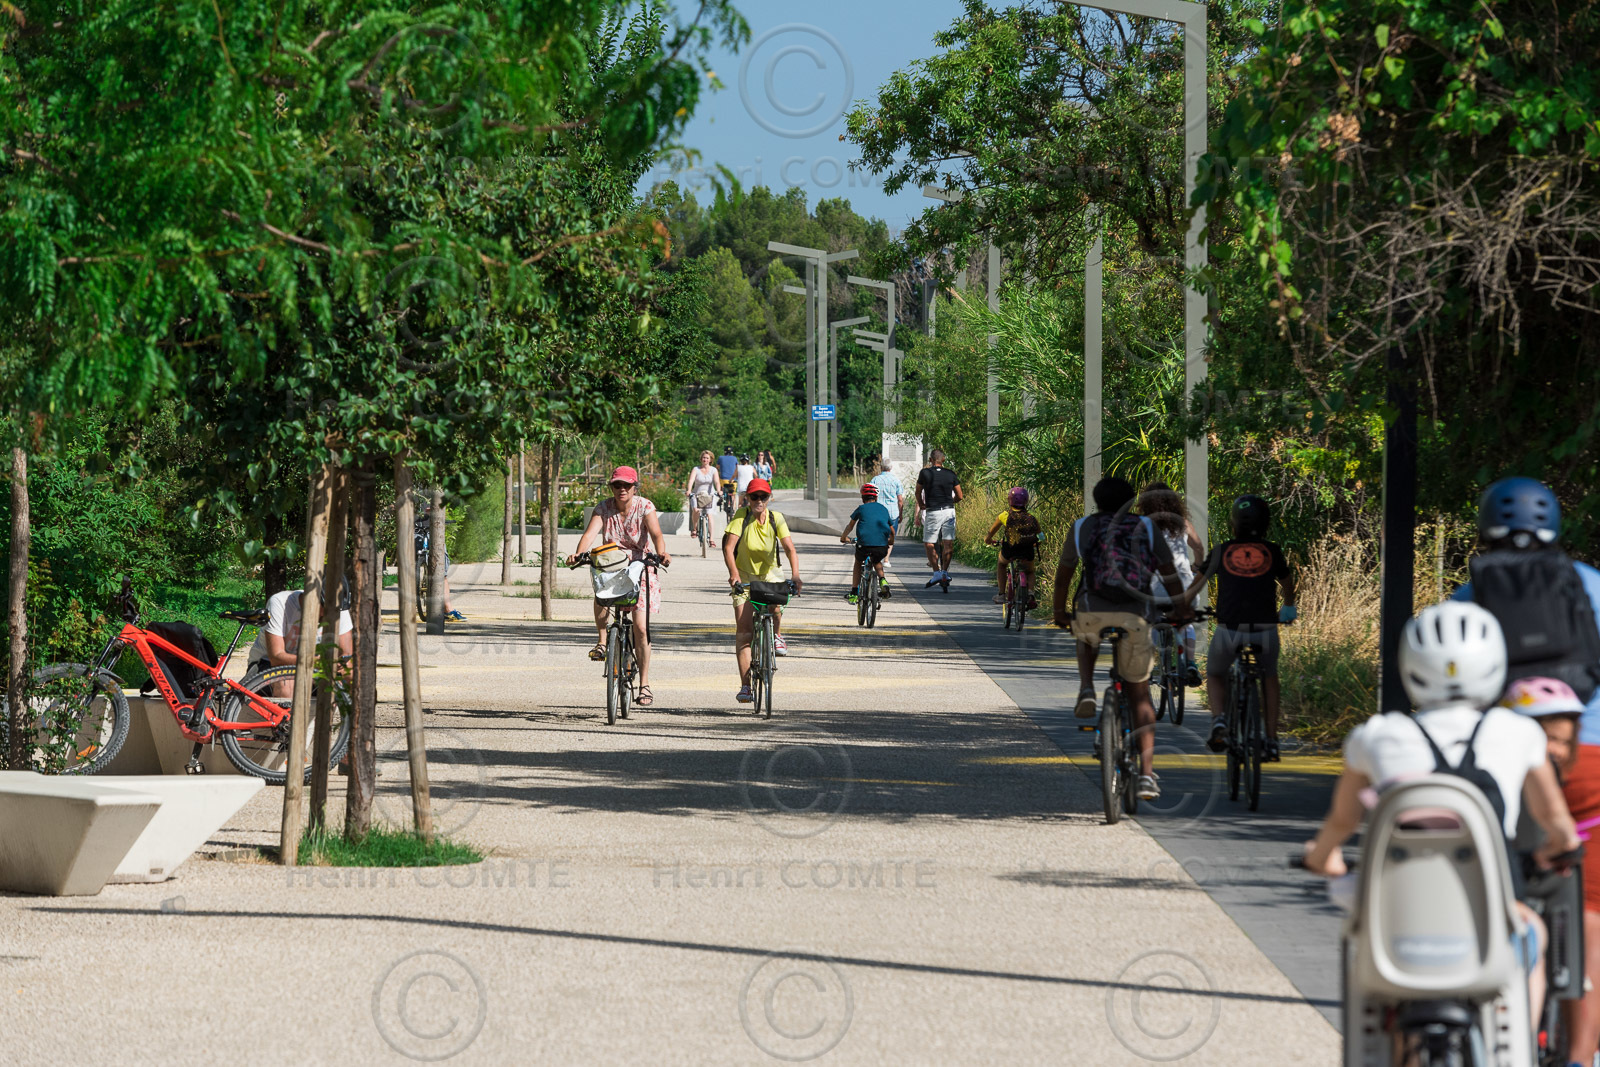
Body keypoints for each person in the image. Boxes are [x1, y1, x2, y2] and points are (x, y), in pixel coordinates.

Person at [1302, 601, 1582, 1023]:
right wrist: (1558, 847)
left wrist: (1322, 857)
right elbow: (1555, 821)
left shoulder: (1376, 736)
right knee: (1532, 937)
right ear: (1494, 663)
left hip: (1400, 908)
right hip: (1492, 902)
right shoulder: (1519, 733)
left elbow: (1343, 821)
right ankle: (1516, 1046)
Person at [1448, 476, 1600, 1063]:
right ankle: (1580, 1058)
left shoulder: (1469, 596)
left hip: (1502, 766)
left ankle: (1503, 1023)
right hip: (1586, 764)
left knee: (1493, 888)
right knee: (1590, 912)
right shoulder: (1590, 587)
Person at [1052, 476, 1191, 801]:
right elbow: (1169, 572)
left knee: (1085, 633)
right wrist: (1181, 609)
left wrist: (1060, 611)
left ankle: (1086, 687)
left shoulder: (1082, 527)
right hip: (1136, 615)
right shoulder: (1146, 526)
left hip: (1093, 609)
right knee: (1140, 695)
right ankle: (1145, 775)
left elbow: (1064, 573)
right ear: (1131, 502)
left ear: (1096, 500)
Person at [1196, 494, 1296, 762]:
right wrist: (1288, 607)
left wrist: (1181, 608)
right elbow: (1287, 582)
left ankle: (1219, 721)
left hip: (1230, 630)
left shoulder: (1221, 551)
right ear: (1266, 524)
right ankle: (1272, 741)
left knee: (1216, 673)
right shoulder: (1272, 551)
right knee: (1269, 675)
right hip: (1265, 629)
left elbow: (1195, 585)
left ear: (1233, 523)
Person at [568, 466, 671, 707]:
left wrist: (662, 552)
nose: (621, 489)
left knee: (641, 628)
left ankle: (644, 684)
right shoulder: (603, 508)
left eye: (626, 485)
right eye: (617, 485)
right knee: (600, 586)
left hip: (640, 565)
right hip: (612, 563)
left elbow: (656, 534)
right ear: (611, 487)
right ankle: (603, 641)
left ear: (635, 487)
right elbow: (589, 534)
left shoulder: (645, 506)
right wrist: (579, 554)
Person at [723, 477, 802, 700]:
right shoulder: (741, 516)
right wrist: (734, 574)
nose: (759, 500)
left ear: (770, 498)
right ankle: (746, 685)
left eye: (763, 497)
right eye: (754, 496)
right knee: (744, 632)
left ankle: (776, 635)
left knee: (775, 608)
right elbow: (729, 549)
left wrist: (796, 575)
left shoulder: (777, 519)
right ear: (747, 498)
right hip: (745, 577)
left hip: (770, 574)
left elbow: (789, 549)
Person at [1140, 483, 1206, 687]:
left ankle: (1148, 667)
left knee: (1147, 620)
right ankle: (1191, 663)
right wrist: (1196, 566)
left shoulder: (1143, 525)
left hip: (1156, 586)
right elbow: (1199, 547)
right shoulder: (1182, 523)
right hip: (1184, 585)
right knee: (1185, 621)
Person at [247, 585, 355, 698]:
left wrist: (341, 664)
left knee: (354, 677)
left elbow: (345, 655)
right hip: (267, 665)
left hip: (315, 667)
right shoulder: (280, 602)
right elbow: (276, 657)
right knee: (287, 685)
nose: (327, 615)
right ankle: (287, 716)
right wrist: (316, 662)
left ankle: (350, 715)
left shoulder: (340, 607)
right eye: (325, 609)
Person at [984, 487, 1041, 607]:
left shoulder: (1004, 516)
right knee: (1030, 572)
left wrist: (988, 540)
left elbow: (991, 532)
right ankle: (1030, 593)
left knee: (1001, 564)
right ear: (1026, 501)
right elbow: (1041, 536)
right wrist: (1036, 543)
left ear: (1010, 500)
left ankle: (1001, 594)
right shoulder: (1032, 518)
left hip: (1010, 550)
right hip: (1027, 551)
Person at [839, 484, 894, 603]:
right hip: (881, 546)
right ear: (876, 498)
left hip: (864, 545)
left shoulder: (861, 509)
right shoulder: (883, 509)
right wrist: (890, 541)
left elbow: (850, 526)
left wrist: (843, 537)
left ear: (863, 498)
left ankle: (854, 592)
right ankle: (883, 580)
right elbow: (892, 531)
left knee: (858, 562)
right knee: (876, 560)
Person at [916, 449, 962, 588]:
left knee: (929, 543)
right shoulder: (951, 474)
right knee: (948, 542)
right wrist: (949, 502)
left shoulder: (925, 473)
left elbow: (918, 491)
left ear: (930, 460)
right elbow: (960, 496)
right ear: (943, 460)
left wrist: (922, 504)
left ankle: (936, 572)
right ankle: (944, 572)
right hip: (948, 512)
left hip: (933, 512)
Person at [868, 458, 906, 568]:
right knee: (891, 536)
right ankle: (886, 559)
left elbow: (870, 496)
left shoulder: (875, 480)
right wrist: (901, 513)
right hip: (892, 513)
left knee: (877, 535)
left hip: (877, 512)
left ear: (881, 467)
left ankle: (876, 557)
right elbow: (900, 500)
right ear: (891, 468)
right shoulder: (896, 480)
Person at [685, 450, 720, 539]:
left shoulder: (713, 470)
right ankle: (695, 528)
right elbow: (691, 480)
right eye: (704, 458)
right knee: (696, 510)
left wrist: (719, 490)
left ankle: (711, 538)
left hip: (710, 495)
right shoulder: (696, 469)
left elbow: (717, 482)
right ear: (701, 459)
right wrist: (689, 490)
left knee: (709, 514)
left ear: (710, 460)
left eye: (707, 458)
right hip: (697, 494)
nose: (705, 460)